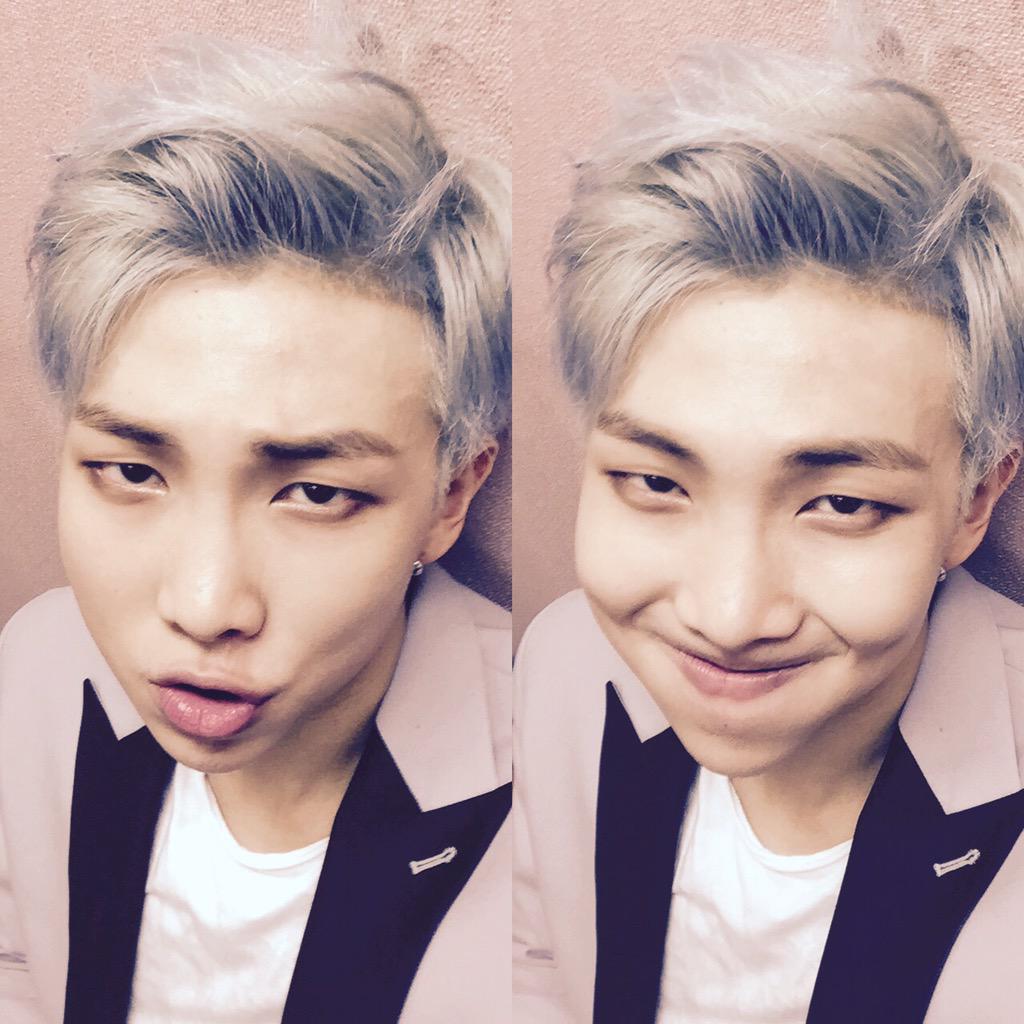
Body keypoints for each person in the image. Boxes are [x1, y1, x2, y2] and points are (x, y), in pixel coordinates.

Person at [0, 35, 511, 1024]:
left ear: (451, 494)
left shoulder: (565, 781)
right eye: (132, 471)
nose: (204, 607)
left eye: (314, 492)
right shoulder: (35, 669)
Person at [513, 43, 1024, 1024]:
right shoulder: (562, 668)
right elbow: (537, 958)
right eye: (655, 481)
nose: (729, 613)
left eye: (841, 504)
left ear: (973, 503)